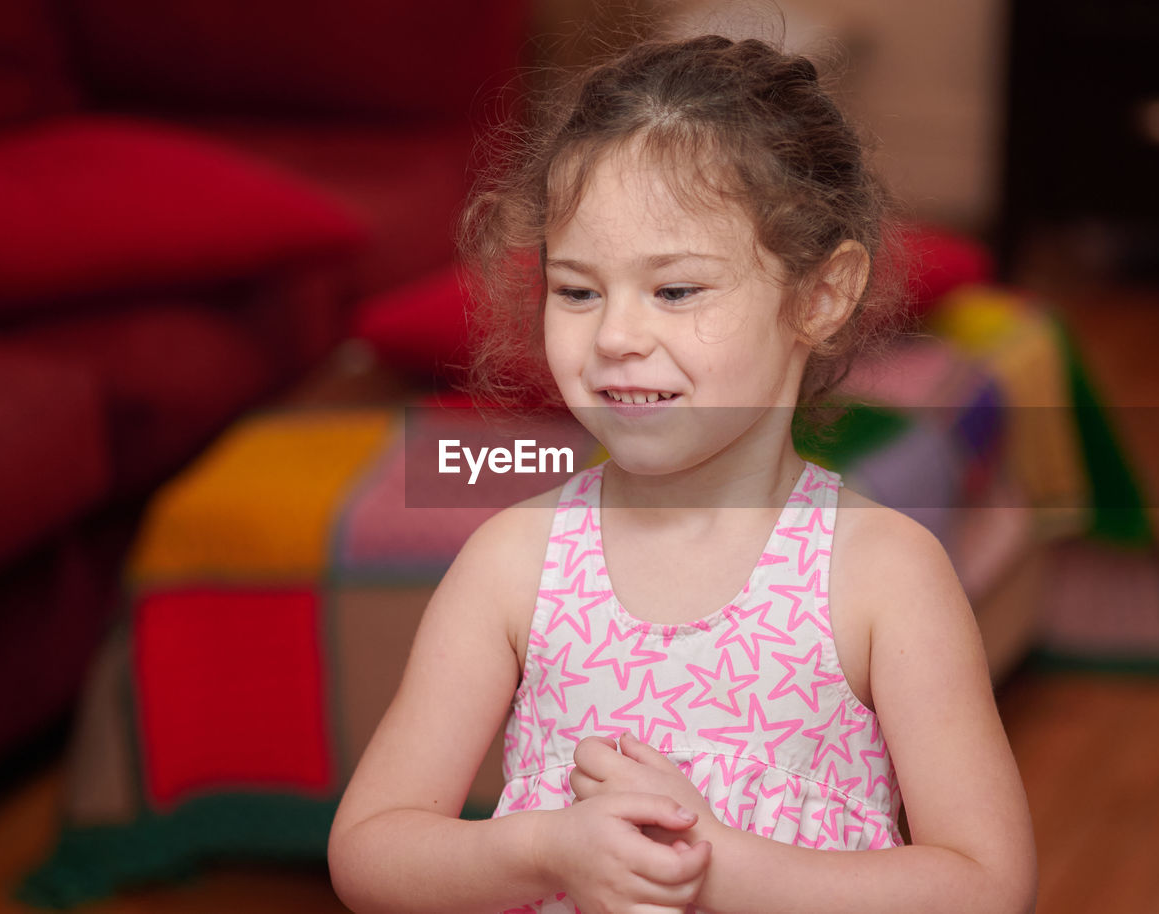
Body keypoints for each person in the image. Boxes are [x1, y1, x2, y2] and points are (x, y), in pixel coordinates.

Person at [328, 33, 1036, 914]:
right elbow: (371, 848)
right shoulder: (515, 563)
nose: (616, 335)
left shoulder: (883, 573)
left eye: (675, 291)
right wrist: (547, 848)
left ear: (820, 295)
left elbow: (985, 885)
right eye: (579, 290)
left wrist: (718, 866)